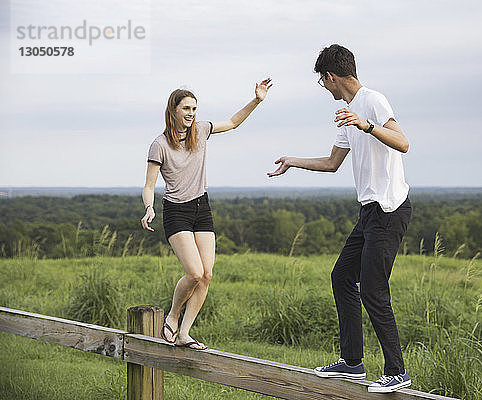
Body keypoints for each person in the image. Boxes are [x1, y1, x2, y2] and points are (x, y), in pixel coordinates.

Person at [268, 44, 412, 393]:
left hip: (390, 210)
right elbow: (333, 163)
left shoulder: (372, 101)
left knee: (374, 290)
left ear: (331, 76)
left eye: (323, 81)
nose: (325, 88)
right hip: (369, 212)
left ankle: (397, 371)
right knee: (342, 276)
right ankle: (352, 363)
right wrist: (293, 161)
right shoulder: (347, 112)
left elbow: (403, 143)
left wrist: (366, 125)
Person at [141, 78, 272, 350]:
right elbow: (149, 185)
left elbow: (233, 122)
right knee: (194, 273)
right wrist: (149, 207)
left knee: (207, 274)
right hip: (176, 211)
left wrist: (257, 100)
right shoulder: (159, 145)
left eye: (194, 109)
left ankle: (185, 333)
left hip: (202, 208)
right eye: (186, 108)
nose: (191, 114)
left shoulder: (201, 131)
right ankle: (173, 315)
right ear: (173, 110)